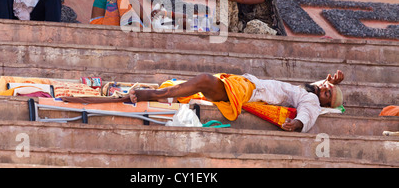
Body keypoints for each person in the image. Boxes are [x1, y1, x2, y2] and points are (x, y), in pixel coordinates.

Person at [128, 70, 345, 133]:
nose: (325, 89)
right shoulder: (310, 90)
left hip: (248, 90)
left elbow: (309, 111)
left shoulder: (310, 100)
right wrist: (329, 81)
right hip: (244, 84)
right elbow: (316, 86)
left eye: (328, 93)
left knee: (204, 80)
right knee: (199, 84)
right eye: (327, 87)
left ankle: (154, 95)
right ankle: (160, 92)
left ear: (323, 104)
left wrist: (298, 123)